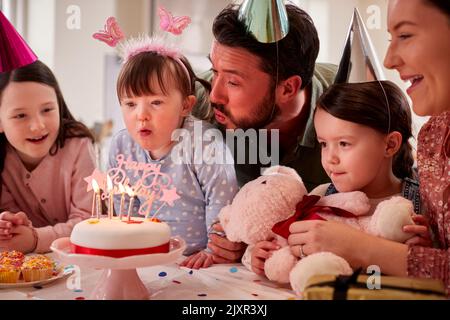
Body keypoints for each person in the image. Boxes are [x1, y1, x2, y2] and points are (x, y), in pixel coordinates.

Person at [289, 0, 450, 295]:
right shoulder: (434, 137)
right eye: (324, 144)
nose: (390, 59)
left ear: (391, 144)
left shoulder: (415, 204)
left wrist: (362, 247)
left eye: (405, 35)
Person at [192, 3, 337, 264]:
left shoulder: (353, 108)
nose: (215, 94)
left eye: (234, 82)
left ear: (287, 89)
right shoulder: (195, 103)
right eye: (215, 72)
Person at [250, 80, 429, 275]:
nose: (330, 158)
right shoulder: (319, 197)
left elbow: (437, 268)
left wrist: (424, 251)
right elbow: (284, 243)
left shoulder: (424, 204)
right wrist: (259, 255)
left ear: (390, 145)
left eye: (344, 144)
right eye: (324, 144)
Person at [107, 37, 238, 269]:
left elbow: (221, 200)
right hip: (147, 255)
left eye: (156, 102)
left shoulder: (203, 143)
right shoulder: (121, 146)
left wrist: (213, 250)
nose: (141, 115)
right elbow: (124, 203)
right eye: (130, 104)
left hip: (199, 257)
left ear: (186, 106)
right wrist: (134, 243)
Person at [0, 60, 96, 253]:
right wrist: (7, 226)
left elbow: (89, 223)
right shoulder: (4, 159)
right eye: (20, 116)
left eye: (47, 110)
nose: (38, 126)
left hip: (78, 263)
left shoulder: (78, 145)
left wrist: (35, 239)